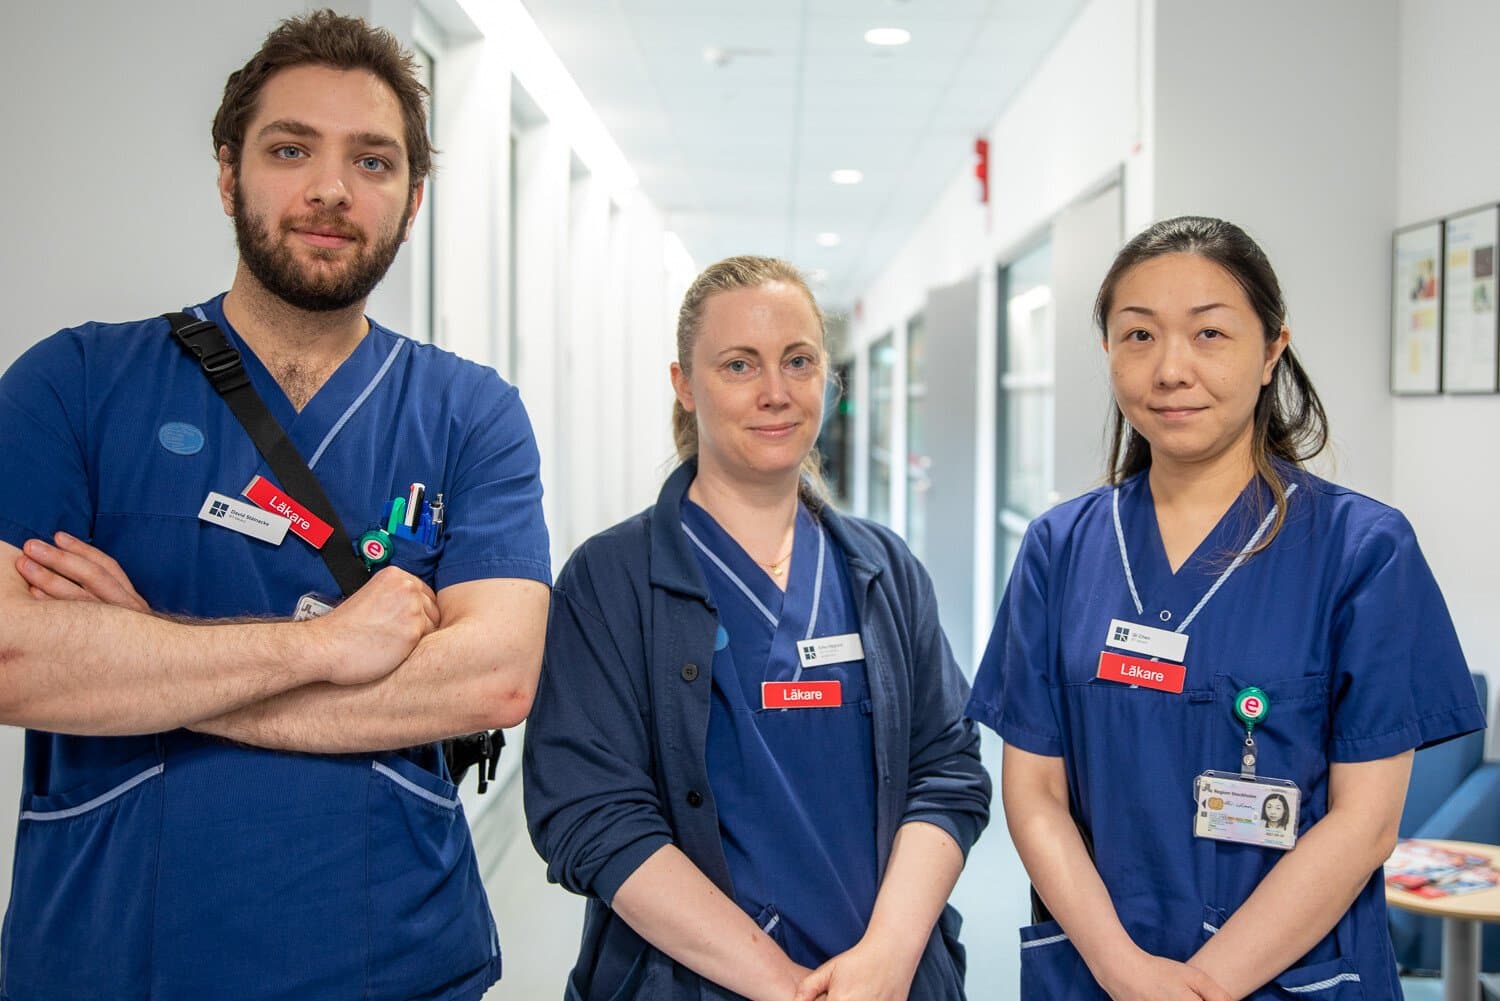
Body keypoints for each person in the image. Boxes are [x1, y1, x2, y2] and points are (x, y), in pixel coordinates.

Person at [0, 11, 550, 999]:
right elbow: (11, 655)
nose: (331, 189)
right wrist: (324, 646)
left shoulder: (471, 415)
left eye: (374, 162)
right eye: (291, 148)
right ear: (227, 173)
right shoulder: (74, 383)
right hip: (115, 959)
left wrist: (142, 647)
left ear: (414, 201)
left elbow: (492, 682)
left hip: (399, 961)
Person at [967, 216, 1485, 1000]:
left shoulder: (1363, 551)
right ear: (1108, 350)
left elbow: (1365, 823)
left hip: (1289, 976)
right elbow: (1034, 795)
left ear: (1274, 346)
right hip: (1101, 971)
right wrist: (1124, 970)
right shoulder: (1060, 548)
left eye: (1210, 333)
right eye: (1138, 336)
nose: (1171, 368)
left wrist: (1205, 985)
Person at [523, 255, 990, 1001]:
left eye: (797, 361)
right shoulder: (609, 582)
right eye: (739, 364)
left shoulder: (883, 571)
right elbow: (590, 812)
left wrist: (889, 957)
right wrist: (785, 987)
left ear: (827, 378)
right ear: (683, 383)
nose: (775, 392)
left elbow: (949, 769)